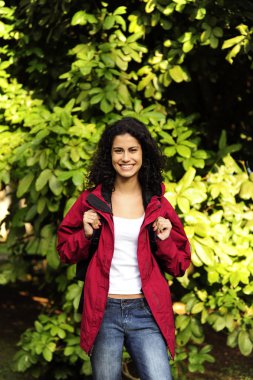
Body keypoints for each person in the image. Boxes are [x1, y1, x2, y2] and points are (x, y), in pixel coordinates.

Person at [57, 117, 191, 380]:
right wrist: (85, 234)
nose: (126, 157)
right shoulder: (91, 201)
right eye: (119, 150)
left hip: (147, 311)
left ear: (143, 154)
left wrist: (164, 240)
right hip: (103, 310)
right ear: (110, 155)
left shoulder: (158, 204)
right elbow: (64, 251)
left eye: (133, 150)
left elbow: (179, 265)